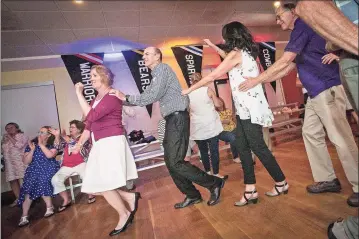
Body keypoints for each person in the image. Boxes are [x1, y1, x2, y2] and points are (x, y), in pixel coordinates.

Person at [238, 3, 358, 207]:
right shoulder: (299, 33)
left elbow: (286, 60)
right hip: (314, 93)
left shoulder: (303, 26)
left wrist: (254, 81)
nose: (277, 21)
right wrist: (259, 82)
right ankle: (327, 179)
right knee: (310, 132)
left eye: (279, 16)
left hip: (326, 87)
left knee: (341, 137)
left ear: (293, 11)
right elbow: (288, 68)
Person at [183, 22, 288, 207]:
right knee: (242, 146)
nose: (223, 40)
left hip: (249, 109)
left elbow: (212, 76)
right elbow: (226, 58)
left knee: (258, 147)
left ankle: (281, 182)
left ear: (231, 36)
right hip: (244, 109)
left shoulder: (237, 54)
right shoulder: (245, 53)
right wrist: (214, 46)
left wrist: (188, 90)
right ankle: (250, 189)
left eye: (225, 37)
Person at [110, 47, 225, 209]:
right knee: (171, 162)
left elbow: (151, 96)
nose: (144, 57)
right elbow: (148, 95)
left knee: (175, 162)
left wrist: (125, 97)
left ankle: (214, 183)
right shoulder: (156, 74)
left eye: (147, 54)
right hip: (173, 118)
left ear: (158, 56)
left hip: (177, 117)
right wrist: (124, 99)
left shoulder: (162, 69)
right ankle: (192, 195)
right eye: (144, 55)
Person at [73, 65, 139, 236]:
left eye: (94, 75)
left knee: (101, 183)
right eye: (90, 76)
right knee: (94, 184)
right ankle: (128, 198)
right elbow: (88, 126)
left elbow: (91, 116)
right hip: (101, 144)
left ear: (105, 76)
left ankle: (124, 214)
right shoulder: (97, 98)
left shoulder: (112, 95)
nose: (91, 78)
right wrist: (78, 145)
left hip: (111, 142)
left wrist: (79, 94)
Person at [295, 0, 359, 113]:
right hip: (350, 58)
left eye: (279, 16)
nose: (278, 21)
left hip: (337, 76)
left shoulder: (301, 29)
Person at [17, 126, 59, 227]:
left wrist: (41, 145)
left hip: (49, 167)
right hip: (33, 168)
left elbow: (50, 156)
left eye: (42, 132)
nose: (39, 134)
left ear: (49, 135)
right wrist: (32, 150)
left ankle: (49, 207)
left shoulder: (52, 144)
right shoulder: (32, 145)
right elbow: (26, 161)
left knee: (42, 179)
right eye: (39, 132)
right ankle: (24, 215)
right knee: (28, 185)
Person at [50, 120, 95, 212]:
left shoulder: (84, 138)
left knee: (86, 175)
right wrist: (57, 137)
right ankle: (66, 200)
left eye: (73, 127)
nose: (70, 129)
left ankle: (91, 194)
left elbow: (76, 145)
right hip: (66, 166)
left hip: (81, 163)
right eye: (70, 127)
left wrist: (64, 136)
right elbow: (57, 147)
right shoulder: (66, 138)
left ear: (79, 129)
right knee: (55, 179)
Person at [188, 72, 227, 178]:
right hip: (211, 125)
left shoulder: (188, 93)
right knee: (214, 150)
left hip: (197, 126)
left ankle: (207, 172)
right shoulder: (207, 90)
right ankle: (216, 173)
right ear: (201, 79)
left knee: (203, 151)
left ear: (191, 81)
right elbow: (218, 104)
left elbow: (188, 110)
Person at [1, 123, 28, 207]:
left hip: (20, 161)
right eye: (7, 128)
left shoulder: (22, 136)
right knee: (12, 180)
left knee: (26, 179)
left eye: (11, 127)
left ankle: (29, 198)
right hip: (9, 163)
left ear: (17, 128)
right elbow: (2, 151)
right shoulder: (5, 139)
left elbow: (19, 146)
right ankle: (19, 199)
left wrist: (10, 137)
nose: (9, 129)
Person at [215, 97, 241, 163]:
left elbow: (234, 120)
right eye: (217, 102)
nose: (219, 103)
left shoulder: (228, 110)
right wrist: (222, 122)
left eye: (220, 101)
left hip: (233, 128)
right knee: (232, 137)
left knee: (241, 135)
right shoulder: (215, 113)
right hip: (222, 131)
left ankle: (244, 154)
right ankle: (235, 157)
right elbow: (213, 123)